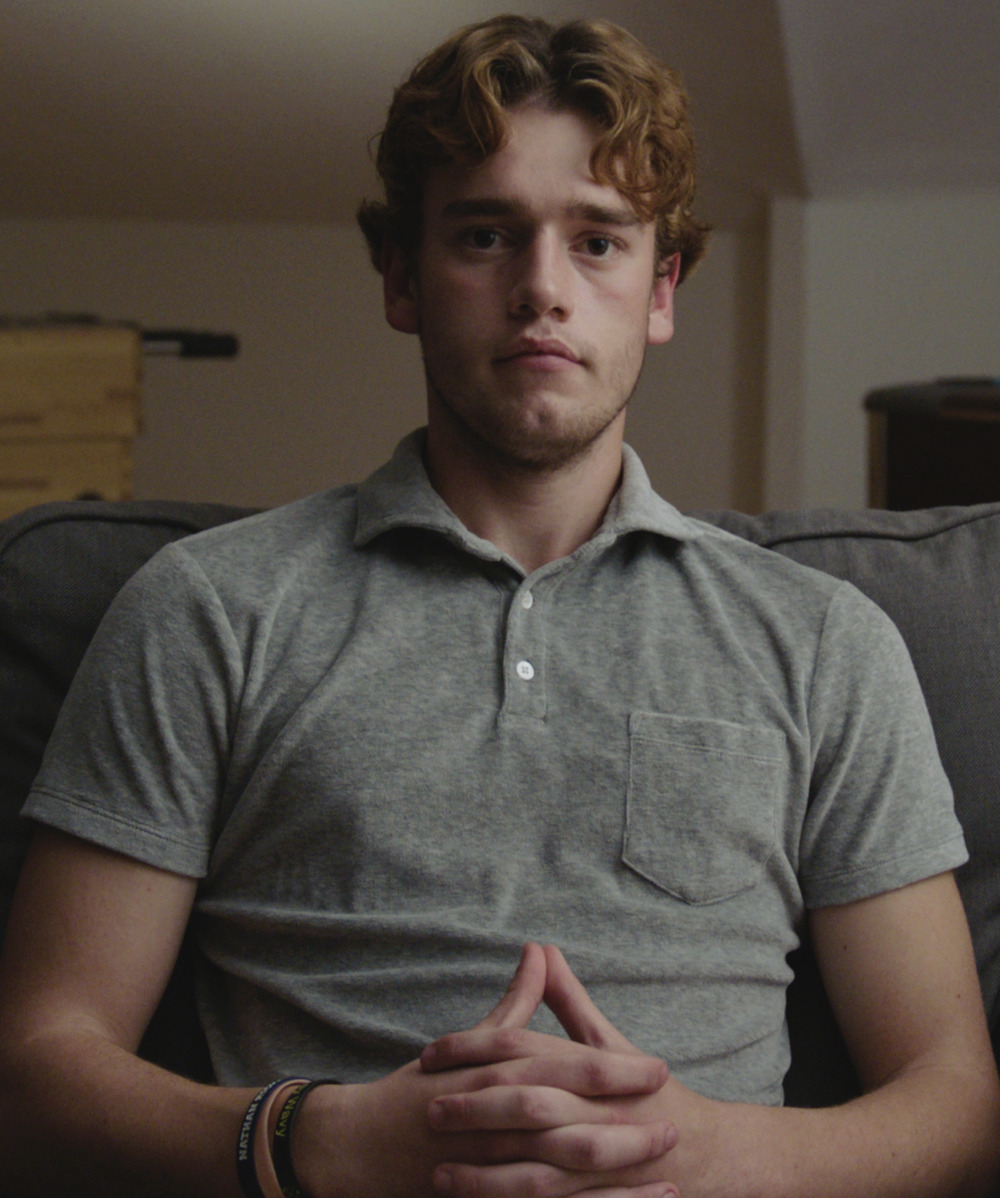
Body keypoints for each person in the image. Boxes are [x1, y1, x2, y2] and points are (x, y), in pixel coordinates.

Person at [0, 13, 998, 1198]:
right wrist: (317, 1143)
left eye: (597, 242)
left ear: (660, 289)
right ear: (402, 280)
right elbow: (36, 1073)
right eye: (484, 235)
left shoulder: (826, 643)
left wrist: (708, 1152)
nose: (541, 289)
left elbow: (955, 1104)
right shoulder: (205, 610)